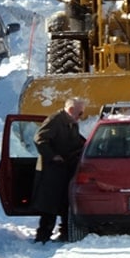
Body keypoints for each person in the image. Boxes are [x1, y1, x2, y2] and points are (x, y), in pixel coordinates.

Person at [31, 97, 87, 243]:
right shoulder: (55, 120)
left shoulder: (72, 123)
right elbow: (39, 139)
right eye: (80, 113)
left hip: (66, 170)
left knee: (65, 204)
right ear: (71, 110)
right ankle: (43, 236)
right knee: (50, 206)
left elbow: (77, 141)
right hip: (52, 172)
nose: (81, 116)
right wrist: (53, 156)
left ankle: (66, 233)